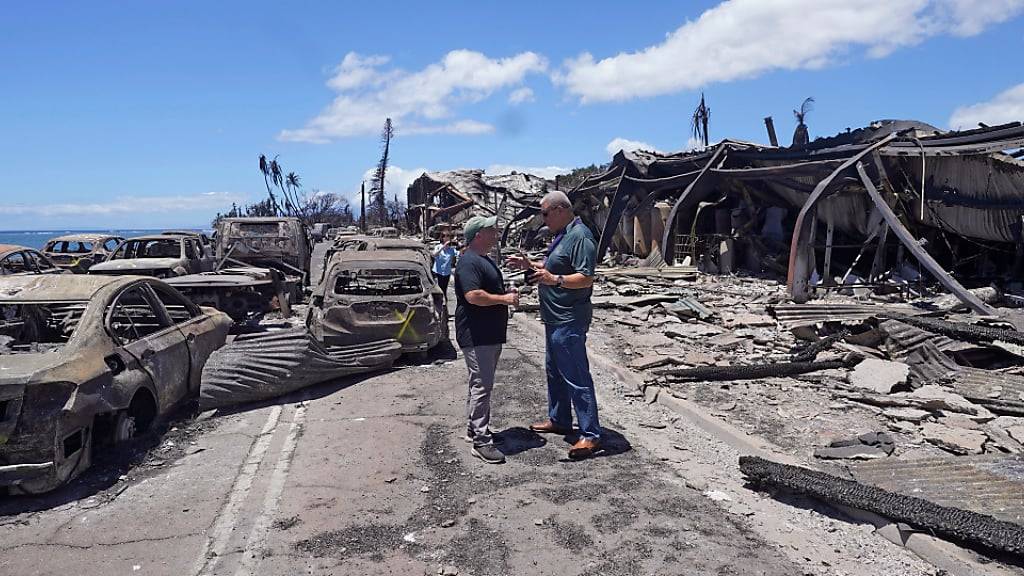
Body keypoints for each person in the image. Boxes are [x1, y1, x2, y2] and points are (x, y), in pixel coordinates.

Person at [508, 191, 602, 460]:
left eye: (545, 213)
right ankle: (559, 419)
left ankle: (591, 435)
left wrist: (555, 280)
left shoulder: (581, 237)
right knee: (555, 372)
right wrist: (532, 265)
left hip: (569, 318)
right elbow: (555, 266)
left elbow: (585, 277)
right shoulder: (564, 235)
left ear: (561, 210)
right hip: (554, 317)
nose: (543, 219)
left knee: (576, 375)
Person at [454, 216, 519, 464]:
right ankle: (481, 440)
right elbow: (473, 296)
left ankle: (475, 429)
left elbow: (488, 291)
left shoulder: (483, 259)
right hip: (477, 333)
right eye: (492, 230)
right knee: (483, 385)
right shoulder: (469, 262)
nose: (496, 233)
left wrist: (507, 294)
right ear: (478, 235)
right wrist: (504, 300)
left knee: (478, 382)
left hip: (488, 333)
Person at [431, 233, 458, 297]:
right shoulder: (438, 247)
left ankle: (444, 303)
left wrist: (458, 243)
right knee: (438, 290)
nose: (447, 238)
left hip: (447, 272)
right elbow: (434, 255)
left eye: (449, 236)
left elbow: (460, 253)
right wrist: (443, 247)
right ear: (442, 238)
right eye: (446, 236)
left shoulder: (451, 249)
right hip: (438, 272)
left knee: (444, 289)